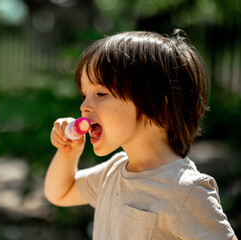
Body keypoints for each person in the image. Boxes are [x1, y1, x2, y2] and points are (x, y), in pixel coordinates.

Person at [44, 29, 238, 240]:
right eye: (84, 95)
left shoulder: (186, 191)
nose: (84, 106)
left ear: (155, 105)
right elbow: (60, 193)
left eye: (101, 93)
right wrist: (67, 153)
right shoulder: (113, 171)